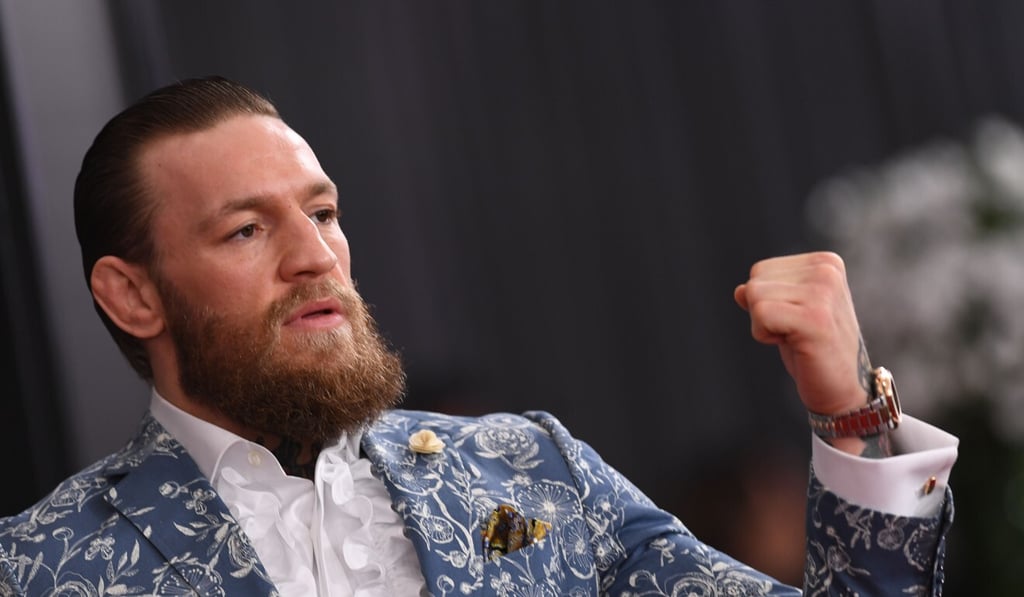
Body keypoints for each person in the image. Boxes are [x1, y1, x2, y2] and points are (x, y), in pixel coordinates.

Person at [0, 77, 957, 596]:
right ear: (132, 296)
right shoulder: (42, 566)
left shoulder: (532, 470)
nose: (315, 257)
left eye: (324, 213)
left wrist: (847, 413)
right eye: (246, 230)